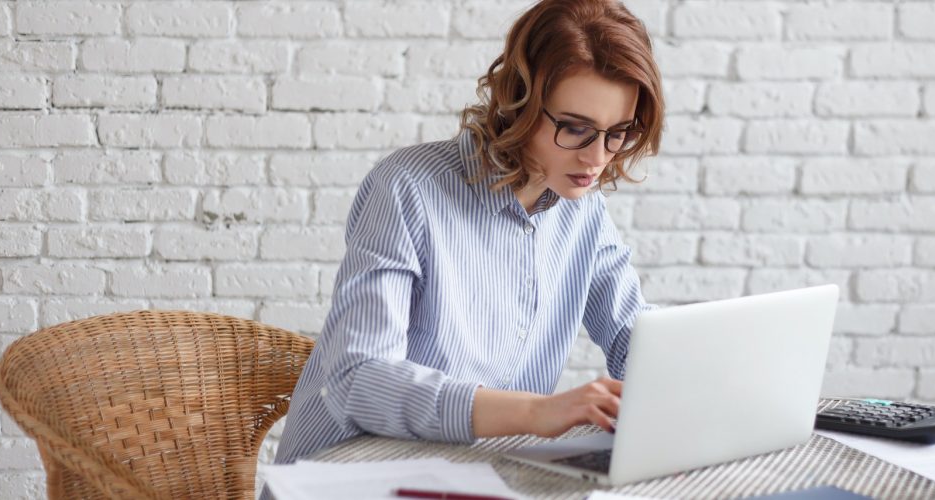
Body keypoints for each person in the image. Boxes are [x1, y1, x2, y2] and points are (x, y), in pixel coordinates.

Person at [273, 0, 664, 469]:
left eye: (618, 132)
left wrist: (710, 381)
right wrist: (537, 412)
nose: (597, 158)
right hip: (350, 473)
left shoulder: (583, 210)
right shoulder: (407, 189)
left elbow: (632, 337)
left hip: (476, 472)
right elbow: (360, 379)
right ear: (519, 98)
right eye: (575, 129)